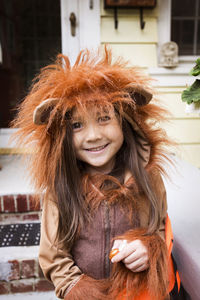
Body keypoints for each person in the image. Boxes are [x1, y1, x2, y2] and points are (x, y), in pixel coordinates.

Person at [12, 48, 186, 299]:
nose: (93, 136)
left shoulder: (147, 178)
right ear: (63, 136)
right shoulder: (61, 188)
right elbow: (53, 254)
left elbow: (158, 227)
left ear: (125, 123)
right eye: (77, 125)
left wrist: (148, 248)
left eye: (104, 118)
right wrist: (77, 288)